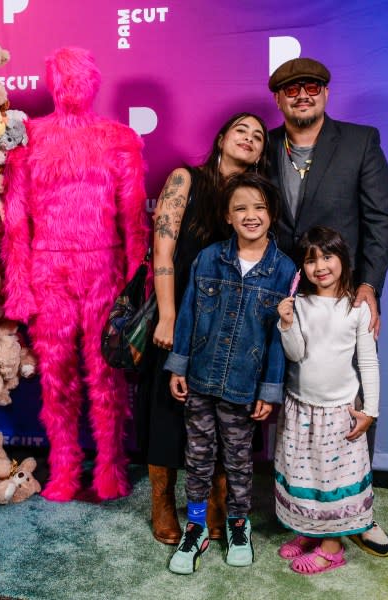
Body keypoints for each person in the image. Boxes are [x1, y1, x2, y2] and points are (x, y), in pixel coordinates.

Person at [1, 48, 148, 502]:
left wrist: (136, 286)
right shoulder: (29, 138)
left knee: (108, 374)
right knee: (55, 374)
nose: (72, 86)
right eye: (63, 78)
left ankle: (110, 467)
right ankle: (63, 468)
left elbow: (133, 219)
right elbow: (15, 220)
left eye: (80, 77)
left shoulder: (118, 138)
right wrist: (19, 288)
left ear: (94, 83)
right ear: (52, 83)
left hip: (104, 269)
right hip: (49, 271)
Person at [267, 57, 388, 556]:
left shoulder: (361, 141)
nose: (303, 95)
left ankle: (359, 515)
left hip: (342, 290)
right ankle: (300, 506)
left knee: (354, 394)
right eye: (291, 89)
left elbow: (382, 219)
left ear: (325, 92)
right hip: (283, 294)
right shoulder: (265, 148)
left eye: (312, 87)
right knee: (294, 402)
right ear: (278, 98)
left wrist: (369, 284)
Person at [136, 113, 269, 545]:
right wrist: (169, 316)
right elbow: (163, 247)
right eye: (241, 131)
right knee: (167, 414)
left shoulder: (254, 197)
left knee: (219, 414)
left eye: (258, 136)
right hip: (177, 314)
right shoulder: (185, 180)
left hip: (228, 326)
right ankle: (162, 501)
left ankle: (215, 500)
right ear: (221, 138)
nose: (249, 139)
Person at [164, 172, 295, 574]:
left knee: (239, 460)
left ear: (271, 214)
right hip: (201, 378)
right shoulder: (209, 258)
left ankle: (239, 523)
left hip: (243, 386)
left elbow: (279, 338)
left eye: (258, 207)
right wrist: (179, 365)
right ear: (227, 215)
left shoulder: (284, 270)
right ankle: (198, 525)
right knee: (198, 457)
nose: (250, 215)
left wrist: (269, 390)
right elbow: (186, 313)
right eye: (240, 208)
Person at [274, 226, 380, 574]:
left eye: (327, 256)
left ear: (342, 259)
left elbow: (367, 361)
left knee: (332, 480)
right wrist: (287, 324)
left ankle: (332, 547)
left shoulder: (357, 308)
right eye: (310, 259)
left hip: (339, 413)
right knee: (305, 476)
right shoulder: (300, 304)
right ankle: (309, 530)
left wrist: (370, 411)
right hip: (301, 408)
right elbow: (296, 353)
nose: (320, 266)